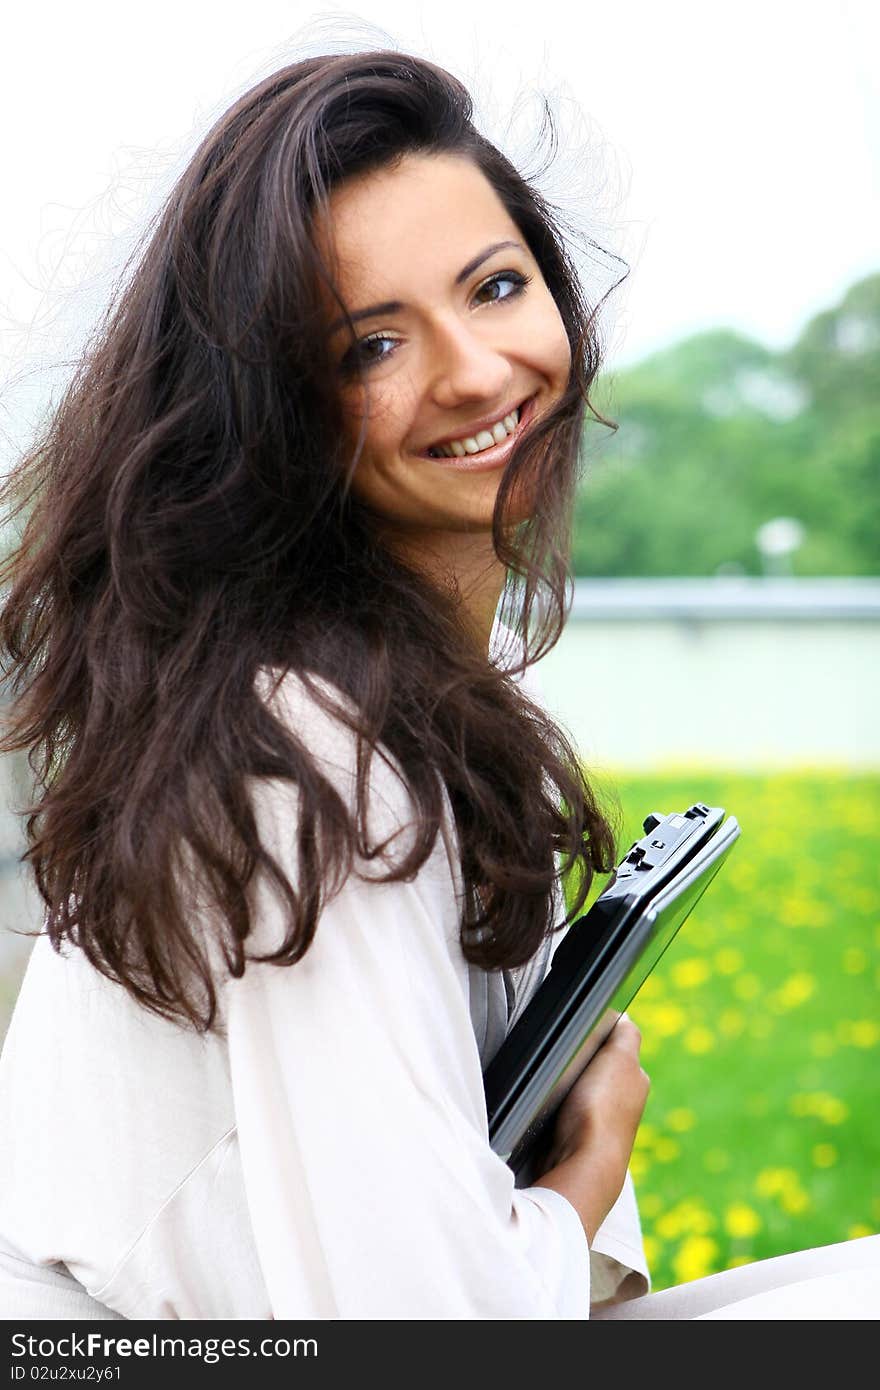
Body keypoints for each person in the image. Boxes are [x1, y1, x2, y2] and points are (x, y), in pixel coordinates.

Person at [0, 49, 876, 1322]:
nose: (474, 372)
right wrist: (582, 1171)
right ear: (275, 415)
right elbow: (421, 1328)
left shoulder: (412, 711)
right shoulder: (307, 756)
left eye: (497, 286)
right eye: (370, 347)